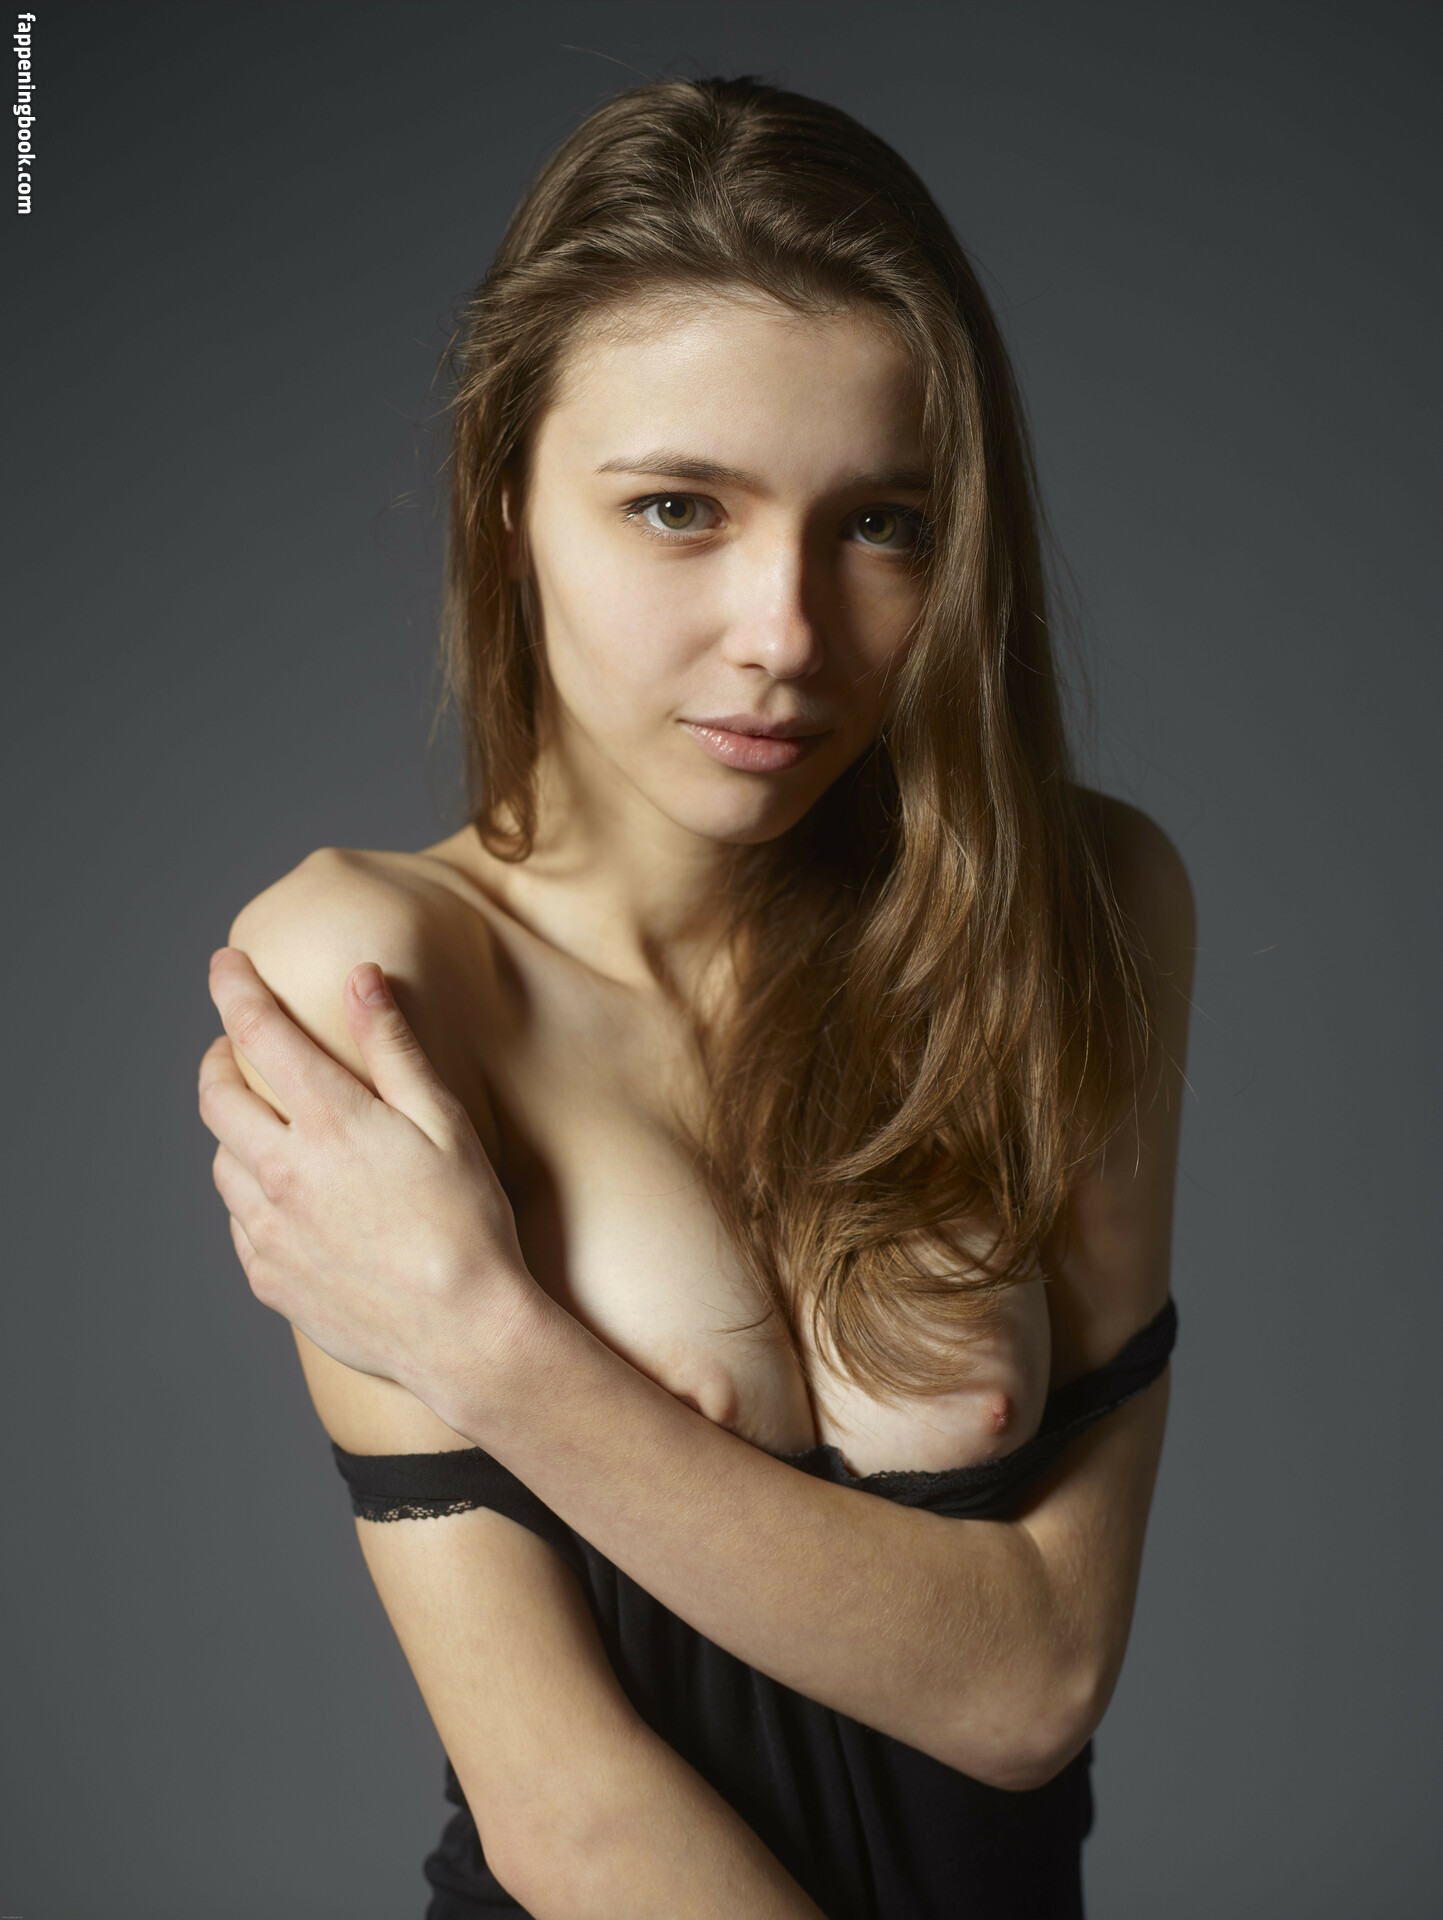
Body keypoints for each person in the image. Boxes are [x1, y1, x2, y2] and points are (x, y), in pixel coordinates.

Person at [196, 76, 1194, 1919]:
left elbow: (1035, 1682)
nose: (785, 634)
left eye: (881, 524)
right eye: (677, 509)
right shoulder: (375, 976)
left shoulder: (1081, 907)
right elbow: (563, 1812)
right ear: (507, 501)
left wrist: (494, 1346)